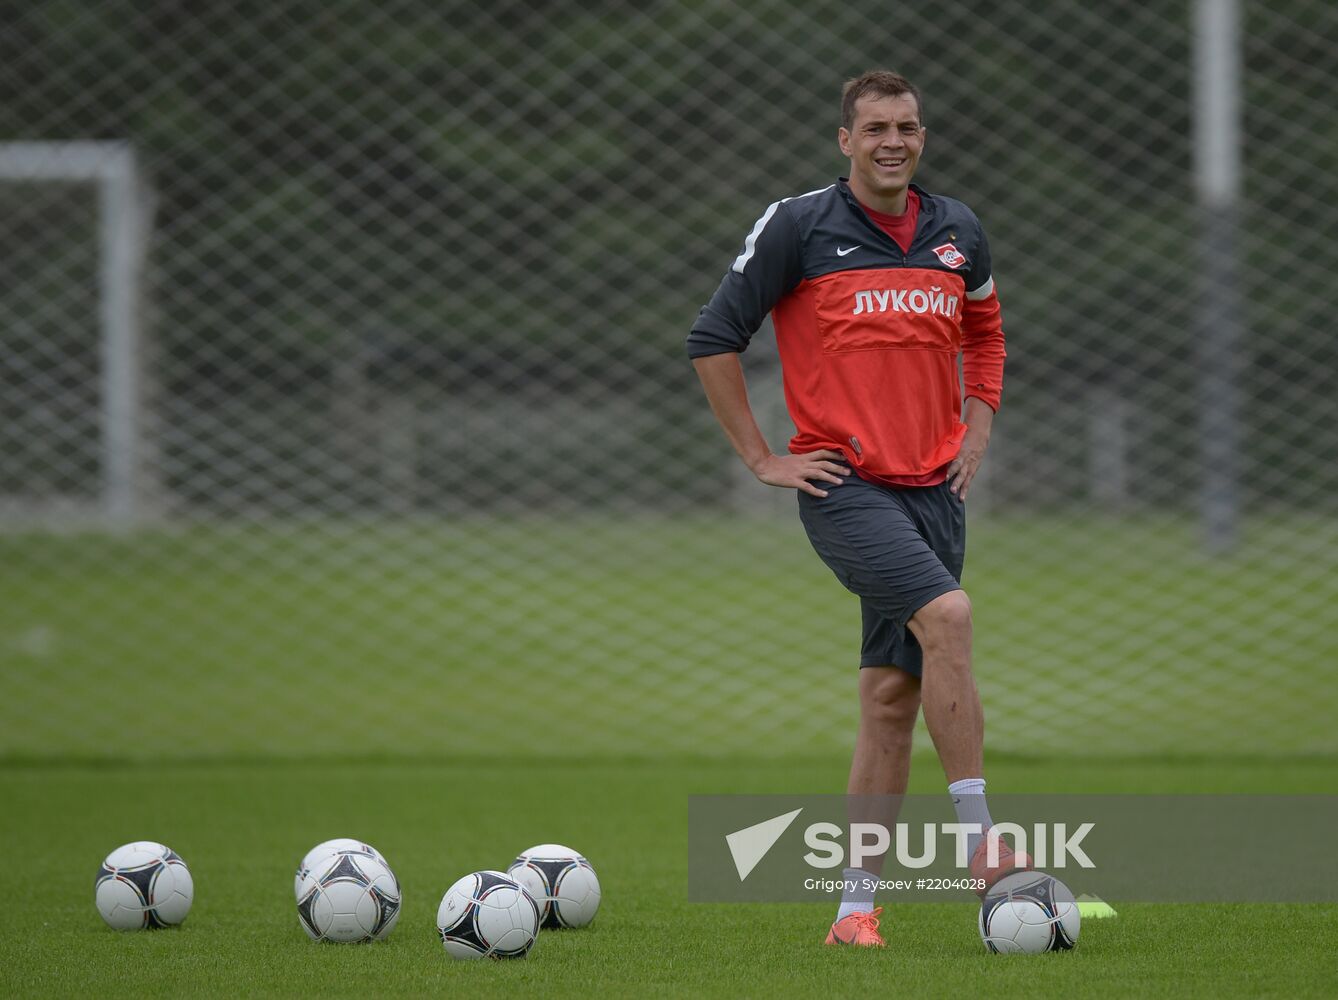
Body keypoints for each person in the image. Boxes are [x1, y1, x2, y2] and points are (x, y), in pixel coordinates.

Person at [687, 69, 1024, 947]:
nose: (893, 141)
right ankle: (984, 847)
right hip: (847, 489)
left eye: (907, 126)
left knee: (887, 697)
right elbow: (713, 338)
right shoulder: (800, 225)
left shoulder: (958, 231)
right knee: (948, 618)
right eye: (874, 127)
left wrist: (977, 427)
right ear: (846, 140)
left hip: (935, 492)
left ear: (922, 135)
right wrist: (763, 456)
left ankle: (852, 913)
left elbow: (985, 331)